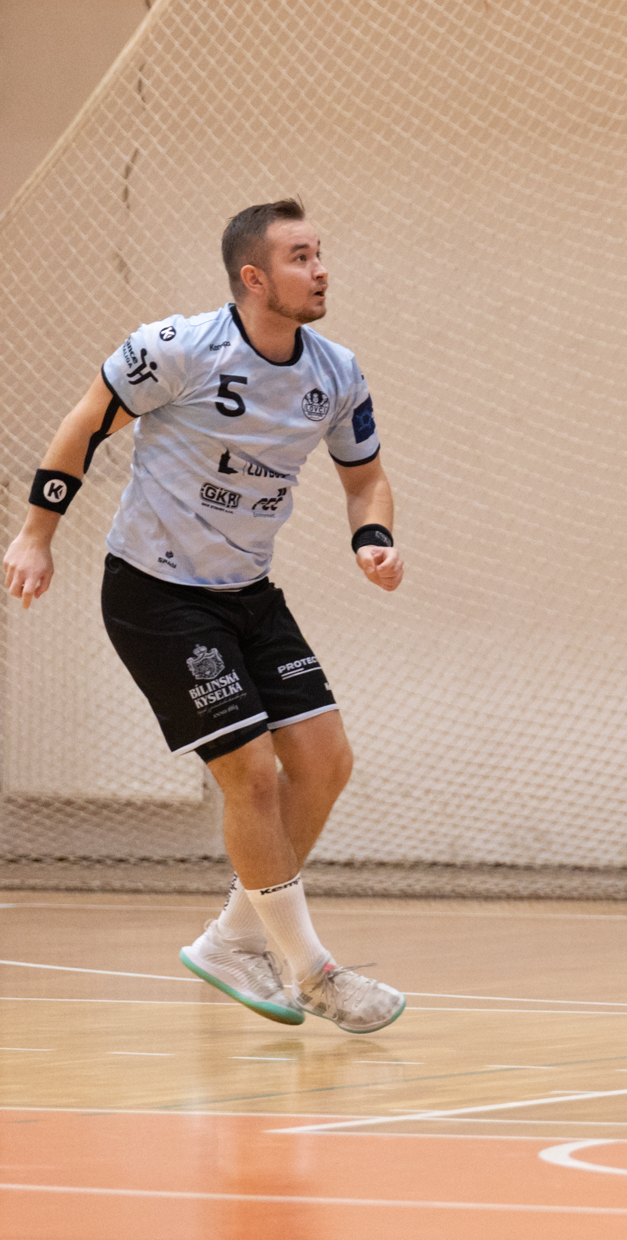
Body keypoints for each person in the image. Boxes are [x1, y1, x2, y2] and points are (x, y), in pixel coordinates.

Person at [2, 199, 408, 1033]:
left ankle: (231, 939)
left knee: (324, 763)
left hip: (248, 593)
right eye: (301, 257)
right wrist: (36, 536)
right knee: (250, 774)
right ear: (254, 277)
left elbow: (365, 478)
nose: (321, 270)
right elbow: (85, 422)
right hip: (155, 591)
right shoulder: (178, 349)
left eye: (320, 253)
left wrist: (373, 538)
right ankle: (313, 972)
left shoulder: (335, 373)